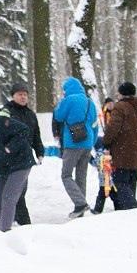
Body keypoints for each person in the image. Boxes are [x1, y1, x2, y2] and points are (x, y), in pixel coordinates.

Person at [0, 82, 45, 228]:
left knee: (18, 193)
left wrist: (40, 151)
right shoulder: (6, 112)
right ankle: (7, 225)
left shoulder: (30, 114)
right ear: (13, 96)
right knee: (3, 194)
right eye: (20, 94)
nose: (23, 97)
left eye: (25, 95)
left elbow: (36, 135)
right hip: (7, 158)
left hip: (24, 159)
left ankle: (19, 224)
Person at [52, 77, 99, 218]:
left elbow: (59, 117)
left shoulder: (68, 100)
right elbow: (95, 125)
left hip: (73, 142)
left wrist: (60, 104)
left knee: (66, 175)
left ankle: (80, 204)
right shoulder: (90, 102)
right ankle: (80, 209)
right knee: (81, 176)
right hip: (87, 142)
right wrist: (91, 142)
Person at [102, 82, 137, 210]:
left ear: (122, 93)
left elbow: (113, 128)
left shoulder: (120, 107)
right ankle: (125, 213)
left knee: (120, 182)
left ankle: (132, 208)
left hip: (122, 152)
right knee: (131, 184)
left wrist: (106, 142)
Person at [91, 99, 119, 214]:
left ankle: (98, 210)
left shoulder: (99, 155)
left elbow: (94, 163)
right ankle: (119, 207)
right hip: (110, 179)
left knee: (103, 194)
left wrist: (89, 158)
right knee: (112, 194)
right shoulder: (103, 114)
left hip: (104, 180)